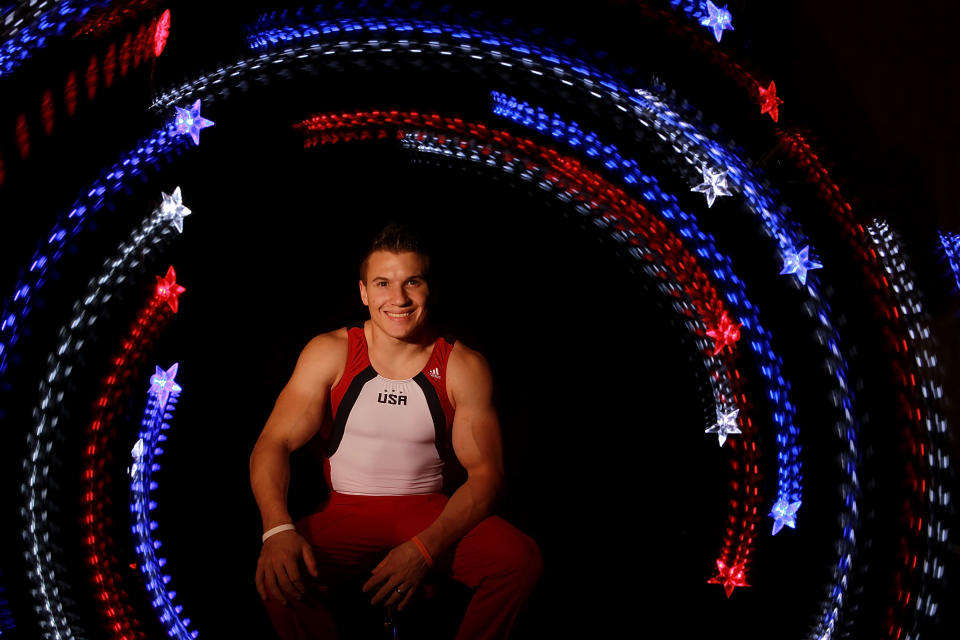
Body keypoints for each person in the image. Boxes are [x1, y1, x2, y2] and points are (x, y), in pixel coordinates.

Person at [250, 223, 542, 639]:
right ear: (364, 292)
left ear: (429, 289)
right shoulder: (329, 352)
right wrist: (277, 530)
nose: (398, 298)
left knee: (519, 560)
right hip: (346, 510)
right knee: (280, 573)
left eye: (412, 282)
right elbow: (272, 443)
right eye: (383, 283)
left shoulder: (463, 366)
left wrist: (424, 549)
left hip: (429, 511)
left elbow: (487, 476)